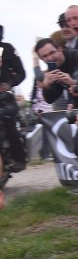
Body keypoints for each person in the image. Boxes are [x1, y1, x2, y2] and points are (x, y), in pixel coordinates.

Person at [35, 37, 78, 110]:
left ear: (60, 49)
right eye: (45, 56)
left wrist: (73, 82)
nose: (50, 58)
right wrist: (46, 85)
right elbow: (50, 100)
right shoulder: (53, 69)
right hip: (77, 107)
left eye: (52, 52)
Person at [0, 24, 28, 171]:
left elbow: (21, 73)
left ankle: (19, 159)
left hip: (4, 97)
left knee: (8, 124)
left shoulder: (7, 49)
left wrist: (9, 84)